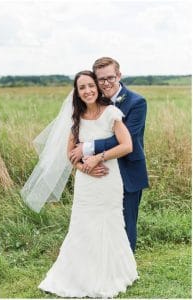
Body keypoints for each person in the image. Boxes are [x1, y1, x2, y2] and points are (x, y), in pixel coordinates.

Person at [38, 70, 138, 298]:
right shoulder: (76, 117)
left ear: (98, 87)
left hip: (108, 178)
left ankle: (113, 273)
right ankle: (79, 275)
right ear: (77, 92)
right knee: (83, 225)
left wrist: (98, 158)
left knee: (109, 222)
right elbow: (70, 154)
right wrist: (86, 168)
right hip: (87, 181)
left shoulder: (111, 112)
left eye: (91, 85)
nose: (88, 90)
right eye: (82, 87)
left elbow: (127, 145)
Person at [69, 57, 149, 252]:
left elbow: (126, 138)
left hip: (128, 169)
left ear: (119, 76)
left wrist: (88, 148)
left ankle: (126, 267)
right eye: (101, 79)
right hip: (102, 174)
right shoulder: (94, 103)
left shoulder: (137, 102)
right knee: (103, 221)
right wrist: (84, 165)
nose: (106, 83)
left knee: (126, 221)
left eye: (110, 78)